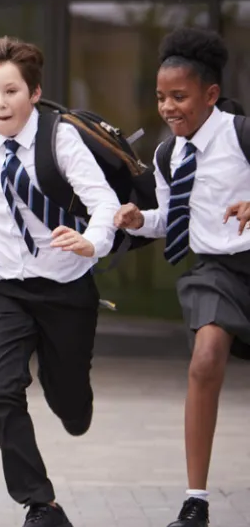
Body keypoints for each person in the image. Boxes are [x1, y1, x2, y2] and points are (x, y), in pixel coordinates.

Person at [0, 36, 121, 527]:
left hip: (66, 292)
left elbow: (103, 201)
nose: (0, 104)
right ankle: (40, 503)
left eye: (11, 92)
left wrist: (92, 240)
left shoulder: (60, 139)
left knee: (66, 397)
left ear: (34, 92)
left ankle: (73, 401)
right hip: (5, 292)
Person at [114, 27, 250, 527]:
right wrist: (139, 219)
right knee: (205, 357)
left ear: (210, 95)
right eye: (160, 97)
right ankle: (196, 502)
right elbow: (173, 219)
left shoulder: (241, 134)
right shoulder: (170, 155)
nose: (167, 107)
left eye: (179, 96)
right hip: (217, 270)